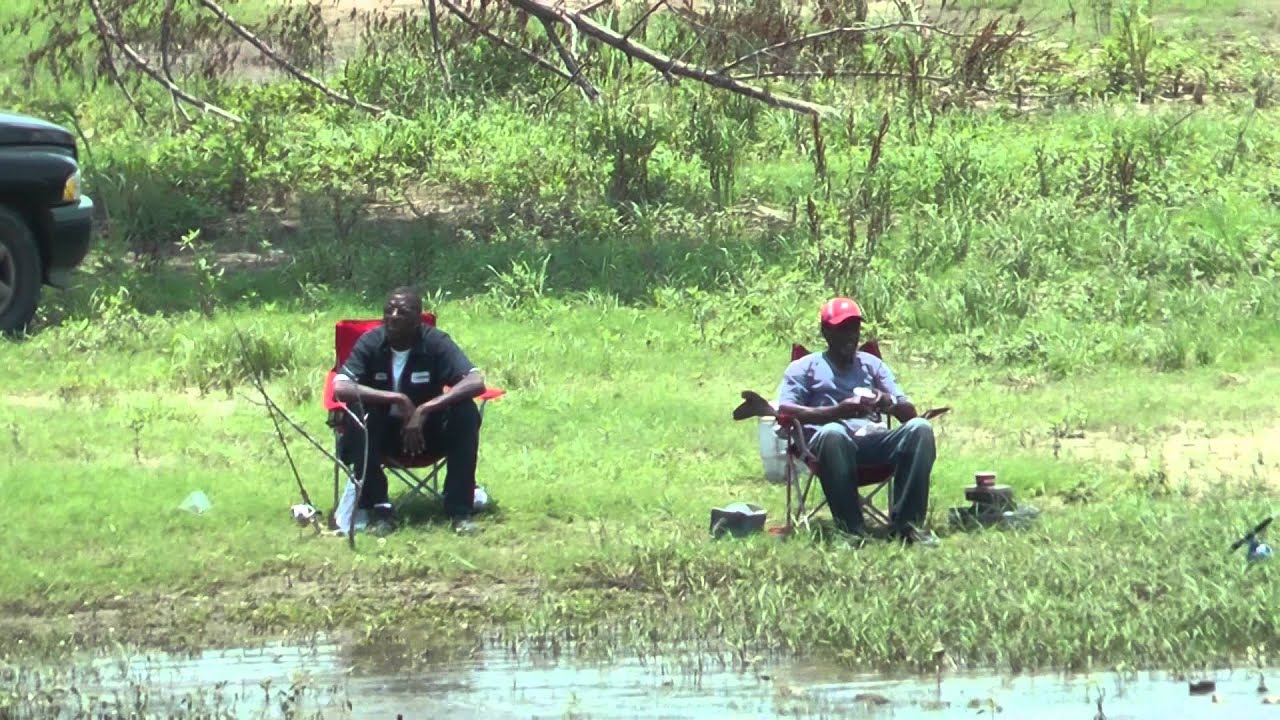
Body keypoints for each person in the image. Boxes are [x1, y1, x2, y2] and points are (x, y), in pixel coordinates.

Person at [775, 297, 938, 545]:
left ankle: (908, 527)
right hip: (828, 447)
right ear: (825, 332)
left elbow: (909, 415)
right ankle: (852, 531)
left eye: (854, 328)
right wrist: (836, 412)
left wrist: (887, 400)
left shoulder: (872, 365)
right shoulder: (804, 367)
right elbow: (784, 409)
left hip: (874, 442)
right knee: (833, 433)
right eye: (842, 329)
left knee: (921, 428)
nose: (850, 335)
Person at [332, 287, 487, 535]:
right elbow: (341, 387)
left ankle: (459, 511)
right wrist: (398, 399)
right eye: (388, 311)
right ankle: (379, 509)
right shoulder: (371, 342)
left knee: (465, 412)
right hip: (382, 438)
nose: (393, 316)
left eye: (402, 311)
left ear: (417, 318)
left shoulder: (435, 342)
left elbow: (475, 381)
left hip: (429, 435)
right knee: (360, 413)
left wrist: (425, 409)